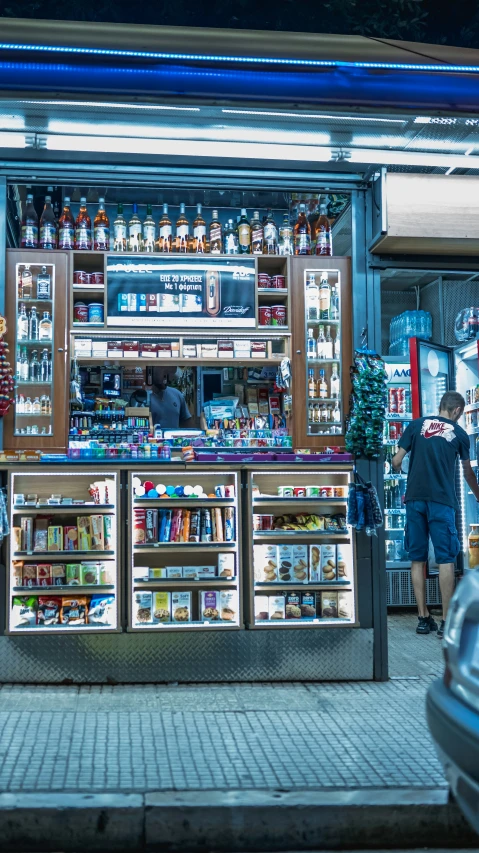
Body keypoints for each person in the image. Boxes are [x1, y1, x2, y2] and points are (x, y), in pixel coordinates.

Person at [392, 391, 479, 638]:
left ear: (440, 406)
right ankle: (446, 621)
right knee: (446, 559)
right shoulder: (460, 435)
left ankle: (423, 618)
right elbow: (467, 473)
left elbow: (397, 460)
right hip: (442, 501)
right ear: (458, 412)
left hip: (415, 500)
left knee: (417, 558)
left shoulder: (416, 425)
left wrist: (404, 471)